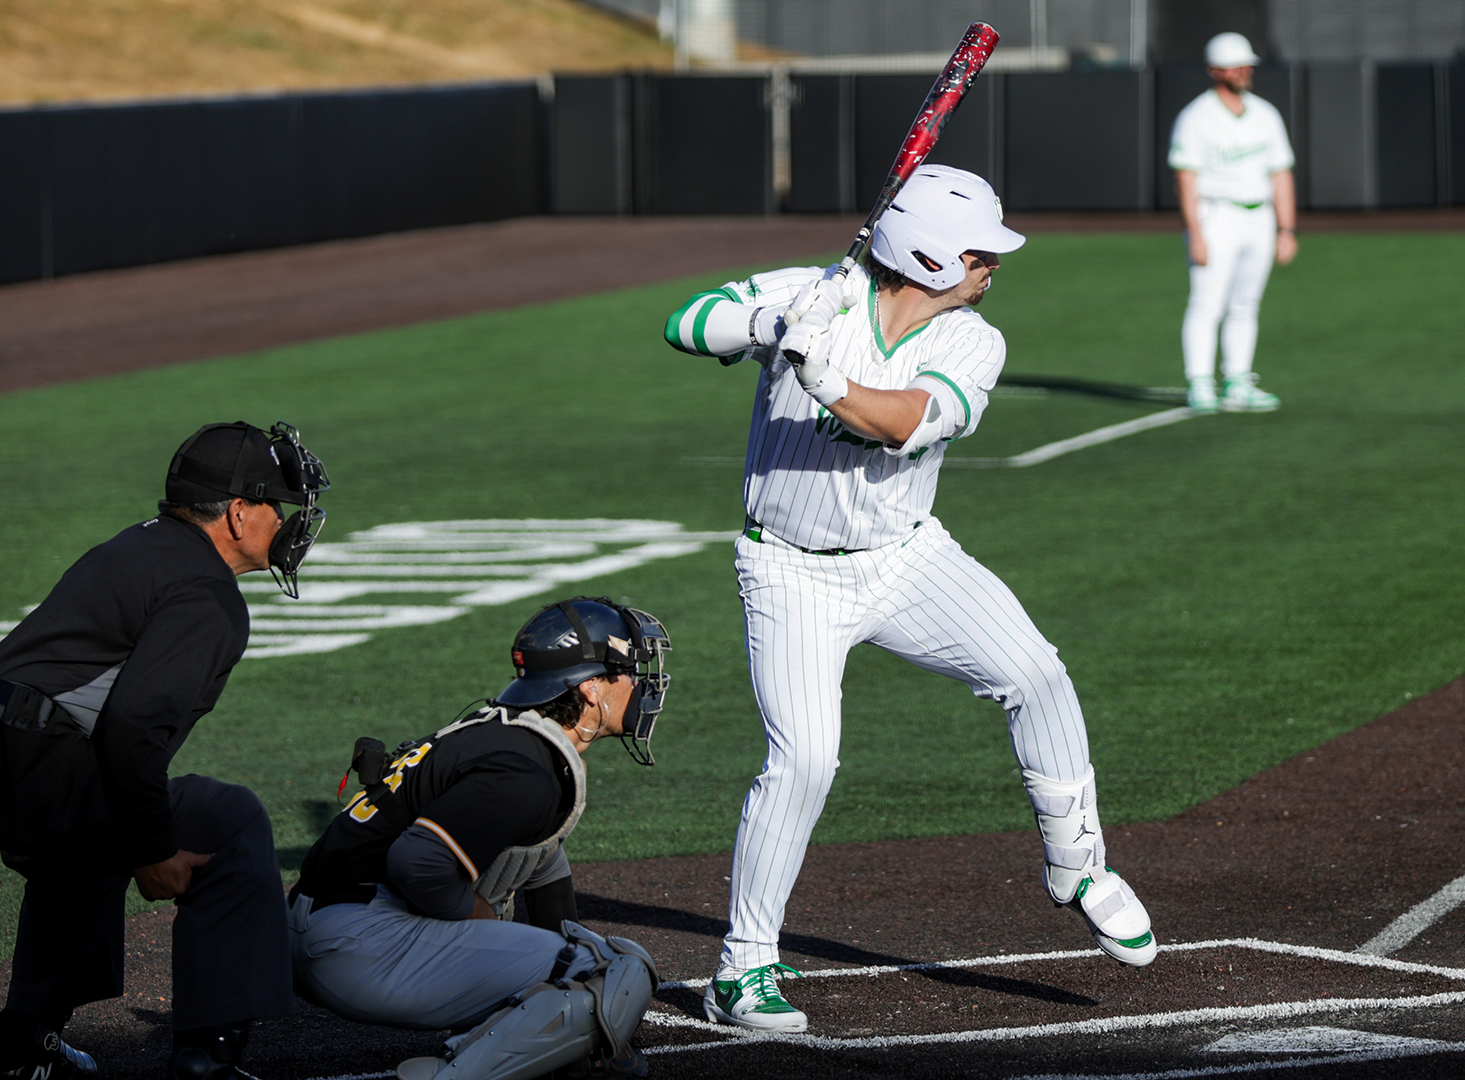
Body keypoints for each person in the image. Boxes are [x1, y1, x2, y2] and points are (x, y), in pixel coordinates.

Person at [661, 163, 1157, 1034]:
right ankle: (742, 972)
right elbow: (685, 323)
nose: (992, 268)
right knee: (806, 761)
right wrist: (770, 321)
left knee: (1035, 674)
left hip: (907, 558)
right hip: (790, 572)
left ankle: (1077, 865)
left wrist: (827, 381)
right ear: (925, 255)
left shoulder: (975, 341)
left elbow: (907, 423)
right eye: (978, 253)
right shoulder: (817, 292)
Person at [0, 421, 331, 1080]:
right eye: (274, 506)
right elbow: (134, 730)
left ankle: (27, 1047)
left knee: (89, 839)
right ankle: (208, 1057)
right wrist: (153, 851)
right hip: (11, 746)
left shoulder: (145, 545)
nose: (284, 522)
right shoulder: (208, 596)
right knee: (224, 824)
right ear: (236, 514)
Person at [286, 597, 671, 1080]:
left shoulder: (504, 735)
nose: (639, 684)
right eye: (629, 671)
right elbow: (418, 862)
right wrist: (484, 917)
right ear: (592, 687)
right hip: (358, 945)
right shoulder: (525, 772)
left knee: (579, 960)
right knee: (609, 971)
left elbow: (540, 864)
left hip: (315, 929)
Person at [1169, 31, 1298, 414]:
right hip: (1216, 214)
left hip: (1259, 215)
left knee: (1246, 303)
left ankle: (1239, 380)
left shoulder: (1264, 113)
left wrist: (1287, 229)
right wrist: (1196, 233)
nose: (1243, 71)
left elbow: (1281, 173)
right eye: (1235, 66)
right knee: (1207, 302)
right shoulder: (1196, 116)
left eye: (1246, 65)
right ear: (1215, 70)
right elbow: (1185, 179)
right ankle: (1200, 383)